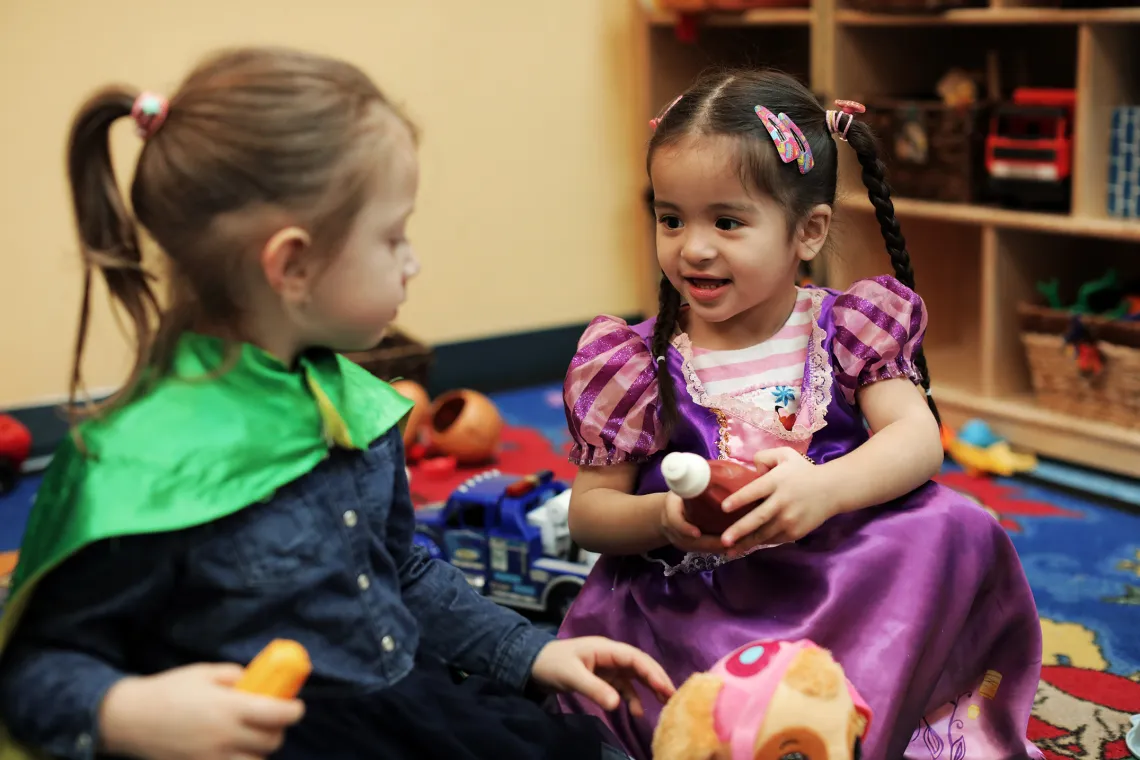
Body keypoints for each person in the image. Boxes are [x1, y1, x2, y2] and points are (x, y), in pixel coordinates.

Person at [0, 46, 676, 760]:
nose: (411, 261)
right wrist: (126, 711)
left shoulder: (351, 407)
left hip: (401, 705)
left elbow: (398, 573)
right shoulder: (138, 466)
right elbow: (34, 673)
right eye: (393, 237)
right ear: (291, 265)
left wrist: (525, 652)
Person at [557, 68, 1043, 760]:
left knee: (956, 524)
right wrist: (665, 520)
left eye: (726, 221)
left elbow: (916, 438)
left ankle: (864, 723)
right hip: (704, 598)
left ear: (808, 232)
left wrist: (824, 490)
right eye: (671, 218)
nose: (692, 246)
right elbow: (589, 515)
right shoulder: (636, 360)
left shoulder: (846, 326)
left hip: (843, 571)